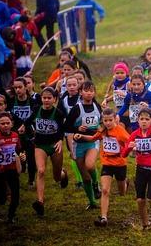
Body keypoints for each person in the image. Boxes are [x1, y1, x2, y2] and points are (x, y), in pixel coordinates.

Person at [73, 108, 129, 227]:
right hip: (107, 164)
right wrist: (81, 136)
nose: (108, 123)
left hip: (120, 164)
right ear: (102, 120)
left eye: (110, 120)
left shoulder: (121, 131)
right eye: (105, 120)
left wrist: (129, 150)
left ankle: (125, 183)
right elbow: (94, 138)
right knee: (104, 190)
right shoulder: (103, 131)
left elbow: (129, 142)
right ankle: (103, 218)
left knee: (122, 192)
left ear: (115, 119)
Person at [22, 87, 69, 216]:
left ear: (54, 99)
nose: (46, 100)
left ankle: (63, 174)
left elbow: (62, 129)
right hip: (40, 145)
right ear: (41, 99)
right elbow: (27, 122)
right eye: (44, 98)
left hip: (54, 145)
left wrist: (60, 140)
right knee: (41, 171)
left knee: (56, 177)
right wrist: (29, 134)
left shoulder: (58, 113)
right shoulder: (37, 109)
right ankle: (40, 202)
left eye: (49, 98)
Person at [64, 81, 102, 209]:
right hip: (78, 144)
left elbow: (103, 122)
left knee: (90, 165)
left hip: (92, 142)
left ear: (94, 93)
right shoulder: (77, 108)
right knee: (85, 178)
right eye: (86, 90)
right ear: (81, 92)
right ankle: (92, 202)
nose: (89, 93)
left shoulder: (97, 106)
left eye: (91, 91)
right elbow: (66, 126)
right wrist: (77, 128)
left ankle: (96, 184)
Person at [0, 112, 21, 224]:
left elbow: (18, 150)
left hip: (12, 169)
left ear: (12, 124)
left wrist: (21, 156)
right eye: (2, 123)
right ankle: (3, 195)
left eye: (8, 123)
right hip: (0, 170)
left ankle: (11, 216)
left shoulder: (15, 136)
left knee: (16, 194)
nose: (5, 125)